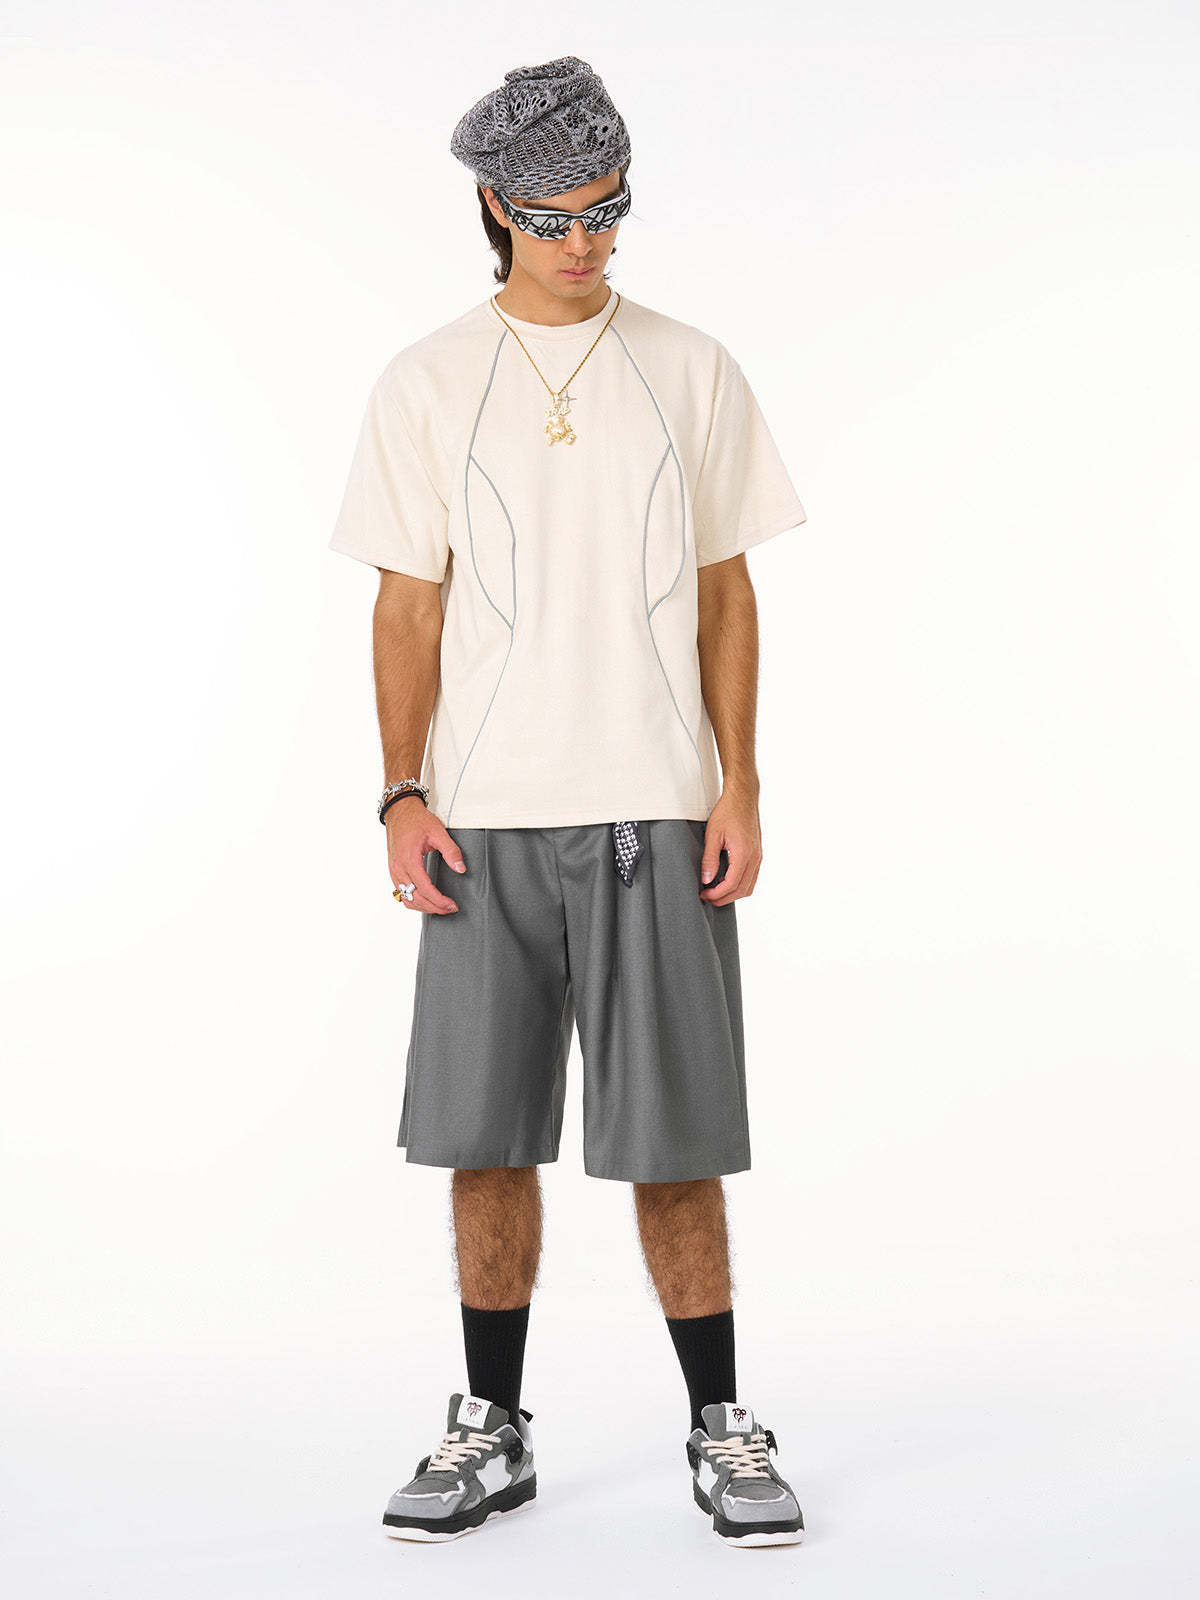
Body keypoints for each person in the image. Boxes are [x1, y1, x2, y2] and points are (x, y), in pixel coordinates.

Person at [329, 55, 808, 1548]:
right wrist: (401, 791)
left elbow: (728, 594)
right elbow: (408, 607)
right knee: (486, 1138)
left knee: (676, 1141)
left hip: (655, 807)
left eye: (609, 209)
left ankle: (722, 1427)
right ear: (496, 206)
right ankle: (493, 1430)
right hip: (482, 817)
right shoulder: (427, 381)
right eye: (555, 217)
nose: (588, 240)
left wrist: (738, 780)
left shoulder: (691, 367)